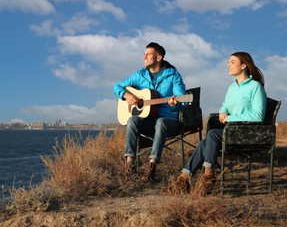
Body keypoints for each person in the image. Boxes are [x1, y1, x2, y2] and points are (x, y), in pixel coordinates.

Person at [167, 51, 267, 195]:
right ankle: (183, 180)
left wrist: (229, 118)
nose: (228, 65)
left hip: (248, 134)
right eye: (228, 62)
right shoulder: (232, 87)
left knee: (213, 135)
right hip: (231, 132)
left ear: (244, 65)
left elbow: (258, 116)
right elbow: (225, 105)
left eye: (232, 62)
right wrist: (222, 112)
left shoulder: (255, 87)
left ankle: (209, 178)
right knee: (203, 143)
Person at [113, 42, 187, 183]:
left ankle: (151, 165)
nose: (144, 57)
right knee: (132, 120)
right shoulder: (140, 74)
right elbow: (117, 86)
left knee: (161, 121)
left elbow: (182, 98)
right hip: (149, 121)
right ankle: (129, 164)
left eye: (148, 54)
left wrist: (176, 101)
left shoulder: (173, 75)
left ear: (158, 57)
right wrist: (126, 95)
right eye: (144, 54)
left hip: (169, 122)